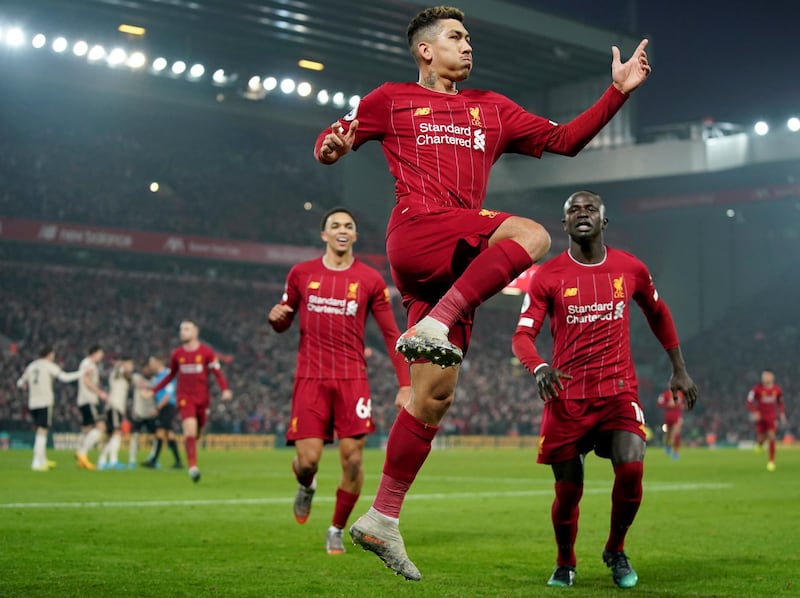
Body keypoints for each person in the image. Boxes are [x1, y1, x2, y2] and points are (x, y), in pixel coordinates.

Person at [313, 5, 652, 580]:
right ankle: (436, 322)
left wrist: (616, 93)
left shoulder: (491, 110)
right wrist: (332, 145)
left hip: (458, 264)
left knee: (434, 394)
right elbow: (334, 135)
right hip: (420, 232)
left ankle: (382, 517)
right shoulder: (390, 98)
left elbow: (565, 140)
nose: (468, 46)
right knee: (534, 233)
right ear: (425, 49)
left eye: (470, 37)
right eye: (456, 37)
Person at [511, 191, 698, 588]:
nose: (582, 214)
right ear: (564, 225)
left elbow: (658, 313)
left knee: (631, 468)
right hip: (566, 396)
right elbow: (523, 336)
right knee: (568, 492)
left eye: (590, 209)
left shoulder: (630, 268)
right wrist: (539, 366)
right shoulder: (547, 275)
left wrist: (678, 368)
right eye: (573, 210)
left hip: (618, 391)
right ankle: (565, 561)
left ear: (603, 222)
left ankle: (615, 549)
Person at [268, 207, 411, 555]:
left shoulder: (370, 280)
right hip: (310, 378)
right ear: (324, 235)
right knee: (309, 460)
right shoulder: (301, 274)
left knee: (352, 460)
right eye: (335, 225)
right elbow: (284, 318)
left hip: (352, 379)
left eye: (349, 226)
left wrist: (405, 383)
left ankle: (336, 528)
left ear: (355, 236)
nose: (342, 230)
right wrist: (276, 320)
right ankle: (306, 484)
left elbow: (391, 333)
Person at [151, 320, 232, 482]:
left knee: (197, 431)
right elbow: (170, 375)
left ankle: (192, 446)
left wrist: (225, 389)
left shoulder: (207, 352)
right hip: (184, 398)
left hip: (203, 399)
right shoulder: (177, 354)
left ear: (196, 332)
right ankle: (193, 467)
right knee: (189, 429)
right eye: (181, 329)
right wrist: (153, 390)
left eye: (186, 329)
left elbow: (217, 372)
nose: (182, 332)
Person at [16, 345, 82, 471]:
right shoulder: (48, 365)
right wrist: (81, 373)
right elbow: (64, 377)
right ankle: (36, 462)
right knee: (42, 431)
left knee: (40, 430)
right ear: (50, 355)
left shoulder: (32, 365)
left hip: (32, 402)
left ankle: (42, 459)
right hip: (44, 401)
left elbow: (19, 383)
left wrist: (24, 385)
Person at [143, 355, 183, 469]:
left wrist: (158, 408)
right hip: (164, 406)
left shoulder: (167, 374)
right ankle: (178, 461)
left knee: (160, 431)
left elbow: (167, 395)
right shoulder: (157, 377)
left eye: (151, 363)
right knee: (169, 434)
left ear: (158, 362)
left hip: (167, 406)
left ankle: (153, 460)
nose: (150, 366)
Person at [75, 344, 108, 470]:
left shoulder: (85, 363)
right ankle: (82, 453)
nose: (101, 357)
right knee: (101, 428)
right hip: (89, 399)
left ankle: (80, 457)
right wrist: (100, 393)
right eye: (100, 354)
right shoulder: (89, 364)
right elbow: (86, 381)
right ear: (95, 353)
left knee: (87, 428)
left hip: (83, 399)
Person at [746, 369, 786, 471]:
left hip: (771, 417)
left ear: (772, 377)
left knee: (772, 436)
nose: (765, 378)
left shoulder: (777, 390)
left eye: (767, 376)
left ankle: (771, 461)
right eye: (763, 376)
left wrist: (781, 414)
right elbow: (749, 401)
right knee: (761, 438)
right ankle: (759, 444)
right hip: (760, 417)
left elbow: (780, 403)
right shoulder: (757, 389)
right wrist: (754, 411)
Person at [98, 358, 133, 470]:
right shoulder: (118, 372)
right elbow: (122, 372)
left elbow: (129, 377)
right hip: (114, 406)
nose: (131, 367)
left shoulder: (123, 376)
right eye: (130, 364)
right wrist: (120, 365)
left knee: (111, 434)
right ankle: (113, 460)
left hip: (117, 407)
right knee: (116, 432)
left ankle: (102, 460)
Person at [128, 362, 157, 469]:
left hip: (150, 412)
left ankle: (153, 457)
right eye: (146, 368)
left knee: (156, 436)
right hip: (138, 412)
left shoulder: (155, 380)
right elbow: (128, 377)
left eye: (150, 369)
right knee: (135, 436)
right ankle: (132, 459)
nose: (148, 371)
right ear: (143, 368)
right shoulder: (137, 378)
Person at [657, 388, 685, 459]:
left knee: (676, 434)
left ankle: (675, 452)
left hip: (678, 416)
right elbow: (659, 403)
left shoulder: (681, 393)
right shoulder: (665, 394)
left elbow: (686, 402)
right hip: (668, 417)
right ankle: (668, 445)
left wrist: (682, 405)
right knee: (668, 434)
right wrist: (668, 404)